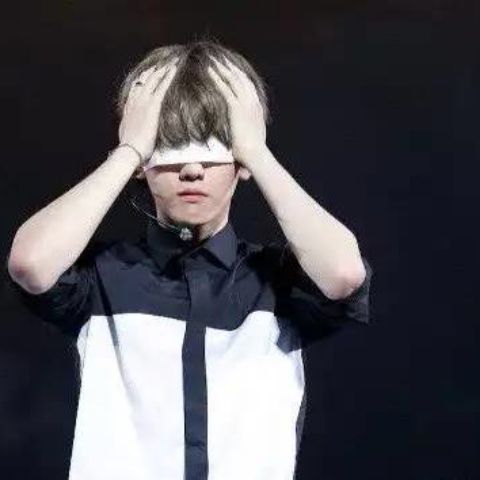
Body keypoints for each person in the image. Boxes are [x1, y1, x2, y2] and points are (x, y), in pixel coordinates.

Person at [6, 39, 373, 480]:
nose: (193, 169)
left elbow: (343, 273)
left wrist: (257, 152)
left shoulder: (278, 283)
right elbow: (30, 263)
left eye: (214, 145)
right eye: (171, 146)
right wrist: (130, 149)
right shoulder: (102, 277)